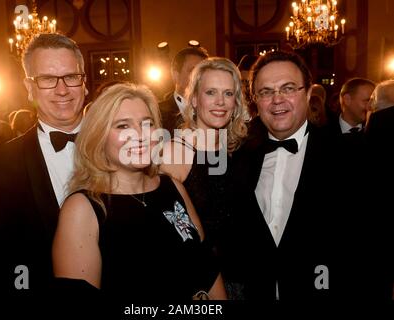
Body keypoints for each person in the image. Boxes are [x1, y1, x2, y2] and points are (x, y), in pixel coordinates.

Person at [227, 50, 390, 301]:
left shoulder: (351, 157)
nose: (277, 100)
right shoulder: (238, 158)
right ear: (255, 101)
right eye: (266, 92)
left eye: (288, 88)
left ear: (308, 94)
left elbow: (372, 252)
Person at [52, 83, 226, 301]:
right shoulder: (83, 209)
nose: (140, 135)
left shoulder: (173, 188)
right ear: (99, 136)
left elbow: (206, 267)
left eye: (148, 123)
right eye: (123, 126)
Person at [0, 33, 88, 299]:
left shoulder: (122, 149)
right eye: (47, 79)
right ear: (29, 87)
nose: (62, 90)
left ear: (84, 82)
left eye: (71, 76)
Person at [160, 57, 248, 299]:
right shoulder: (179, 150)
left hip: (243, 276)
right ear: (195, 100)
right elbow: (164, 228)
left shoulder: (234, 146)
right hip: (205, 282)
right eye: (211, 92)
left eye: (228, 93)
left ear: (236, 102)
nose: (220, 102)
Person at [159, 47, 209, 136]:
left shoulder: (216, 110)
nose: (199, 77)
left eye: (203, 72)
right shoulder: (157, 113)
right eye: (192, 71)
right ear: (176, 75)